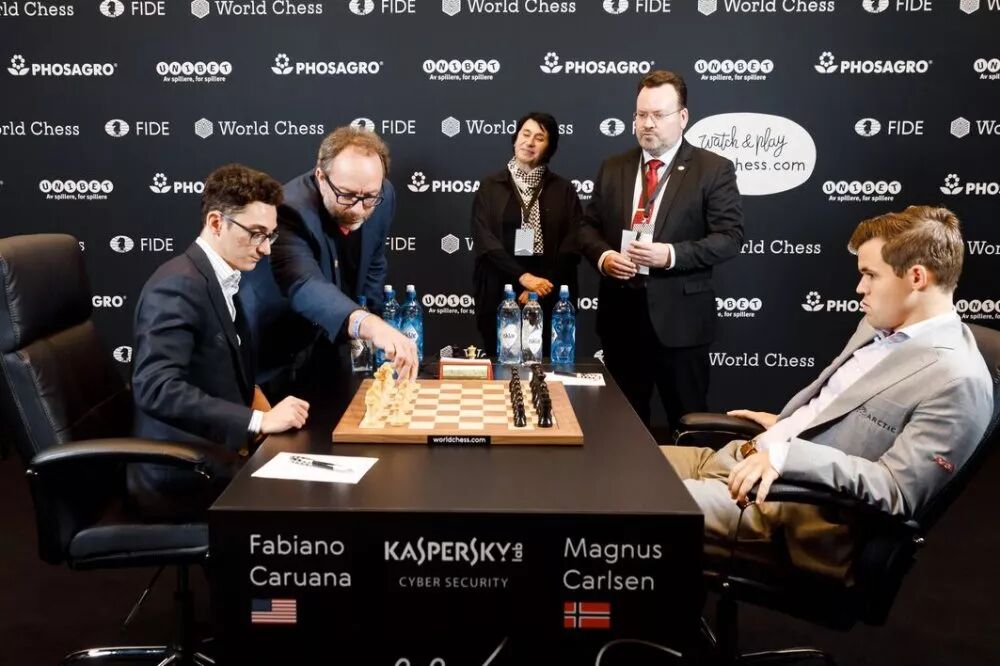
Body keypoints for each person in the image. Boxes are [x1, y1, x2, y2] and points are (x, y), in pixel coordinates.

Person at [663, 206, 994, 579]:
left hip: (786, 507)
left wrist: (787, 455)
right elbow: (848, 409)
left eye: (870, 275)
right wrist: (789, 424)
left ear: (916, 277)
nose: (860, 288)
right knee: (617, 471)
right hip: (740, 460)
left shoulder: (959, 380)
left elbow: (896, 490)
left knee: (629, 505)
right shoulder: (877, 324)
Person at [130, 164, 311, 519]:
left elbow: (215, 368)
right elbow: (155, 388)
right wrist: (256, 421)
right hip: (181, 471)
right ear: (216, 223)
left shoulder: (219, 277)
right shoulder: (178, 286)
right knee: (310, 499)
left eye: (270, 236)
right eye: (256, 234)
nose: (265, 249)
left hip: (214, 453)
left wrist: (257, 404)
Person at [579, 70, 744, 429]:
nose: (647, 124)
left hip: (680, 324)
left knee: (688, 425)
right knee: (622, 426)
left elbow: (729, 237)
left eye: (658, 115)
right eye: (641, 115)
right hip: (621, 319)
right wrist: (604, 258)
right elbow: (587, 227)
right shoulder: (614, 167)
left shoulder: (713, 169)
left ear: (682, 117)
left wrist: (669, 255)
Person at [240, 126, 418, 394]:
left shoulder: (383, 196)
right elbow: (304, 283)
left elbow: (374, 264)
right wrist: (368, 325)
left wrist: (373, 324)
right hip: (279, 351)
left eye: (369, 197)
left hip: (333, 346)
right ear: (321, 177)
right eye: (346, 195)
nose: (358, 208)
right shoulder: (288, 211)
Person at [471, 111, 581, 357]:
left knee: (545, 366)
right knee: (501, 362)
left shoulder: (563, 189)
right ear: (515, 138)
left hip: (549, 290)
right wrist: (522, 277)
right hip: (500, 290)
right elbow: (484, 239)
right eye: (525, 134)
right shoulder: (491, 186)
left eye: (539, 138)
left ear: (549, 147)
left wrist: (539, 285)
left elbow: (572, 243)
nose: (529, 142)